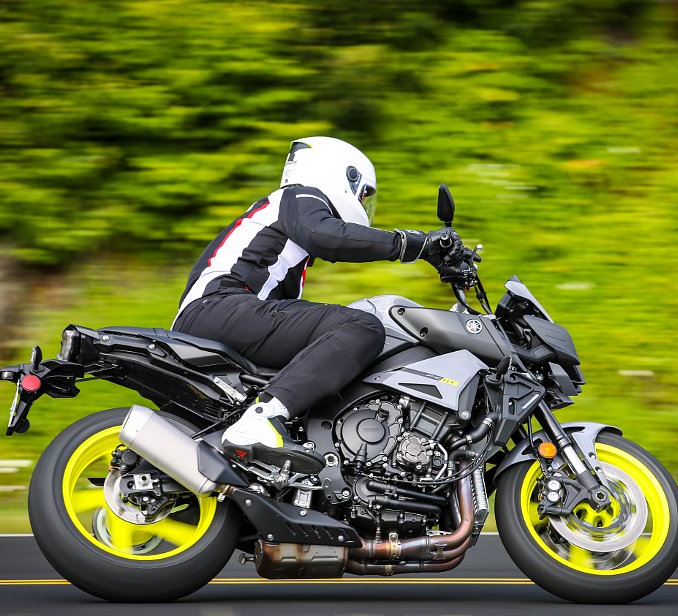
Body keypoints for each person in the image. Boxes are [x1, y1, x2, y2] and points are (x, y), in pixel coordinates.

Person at [172, 136, 461, 474]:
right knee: (361, 326)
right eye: (364, 194)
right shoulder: (299, 196)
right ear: (341, 173)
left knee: (328, 353)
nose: (364, 204)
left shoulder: (289, 239)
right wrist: (414, 245)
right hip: (218, 307)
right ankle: (261, 420)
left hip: (223, 314)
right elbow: (329, 235)